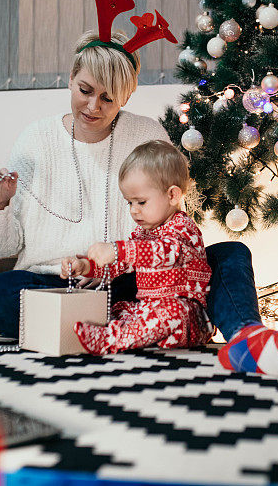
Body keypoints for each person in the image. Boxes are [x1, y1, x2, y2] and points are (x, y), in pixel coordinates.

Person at [0, 25, 278, 377]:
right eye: (85, 90)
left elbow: (176, 236)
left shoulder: (146, 135)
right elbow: (1, 247)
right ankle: (140, 327)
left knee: (230, 255)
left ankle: (247, 339)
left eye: (108, 98)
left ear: (125, 97)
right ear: (70, 78)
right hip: (58, 285)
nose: (93, 106)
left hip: (139, 283)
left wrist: (123, 255)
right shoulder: (35, 140)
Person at [60, 140, 211, 355]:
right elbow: (119, 266)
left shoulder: (183, 229)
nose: (133, 211)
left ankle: (112, 340)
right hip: (149, 309)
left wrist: (118, 249)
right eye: (129, 203)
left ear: (172, 195)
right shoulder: (143, 233)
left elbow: (166, 252)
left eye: (141, 202)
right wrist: (86, 266)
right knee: (120, 309)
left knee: (173, 312)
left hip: (187, 315)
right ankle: (133, 334)